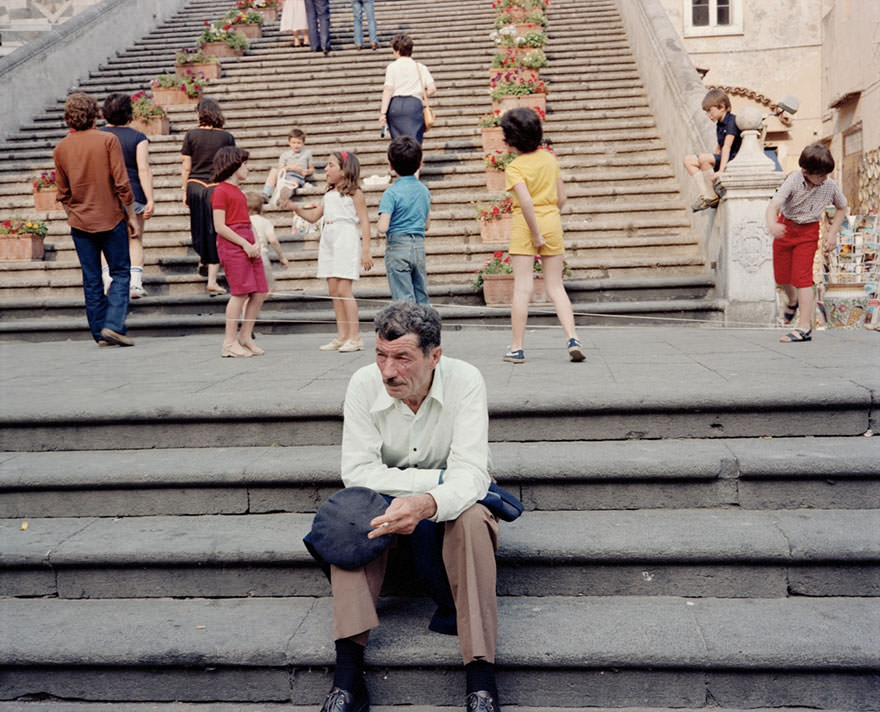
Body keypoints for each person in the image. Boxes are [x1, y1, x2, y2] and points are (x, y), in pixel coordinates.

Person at [317, 301, 502, 712]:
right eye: (381, 355)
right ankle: (347, 674)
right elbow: (358, 472)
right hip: (399, 501)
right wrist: (432, 485)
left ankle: (481, 677)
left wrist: (428, 501)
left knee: (472, 518)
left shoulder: (466, 379)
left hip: (454, 503)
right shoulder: (364, 384)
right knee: (349, 515)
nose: (388, 371)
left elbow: (472, 474)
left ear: (435, 356)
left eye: (402, 358)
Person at [500, 107, 585, 364]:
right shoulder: (550, 159)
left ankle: (517, 347)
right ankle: (572, 338)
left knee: (523, 287)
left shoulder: (514, 167)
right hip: (551, 219)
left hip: (526, 226)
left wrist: (536, 234)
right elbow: (563, 197)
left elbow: (525, 203)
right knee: (556, 286)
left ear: (512, 140)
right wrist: (550, 218)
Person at [53, 92, 137, 347]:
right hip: (110, 217)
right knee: (121, 273)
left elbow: (63, 193)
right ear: (95, 114)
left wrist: (73, 214)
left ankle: (100, 333)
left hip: (80, 222)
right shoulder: (107, 140)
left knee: (91, 279)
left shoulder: (61, 148)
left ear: (68, 118)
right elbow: (122, 183)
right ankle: (113, 324)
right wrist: (131, 214)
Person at [289, 151, 373, 352]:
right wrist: (295, 208)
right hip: (328, 238)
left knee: (344, 290)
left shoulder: (355, 194)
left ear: (344, 171)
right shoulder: (328, 194)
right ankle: (342, 336)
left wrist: (367, 250)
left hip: (345, 238)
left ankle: (355, 336)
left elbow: (365, 221)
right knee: (334, 291)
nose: (326, 169)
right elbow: (313, 217)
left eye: (330, 165)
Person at [765, 142, 847, 343]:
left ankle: (804, 327)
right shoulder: (794, 180)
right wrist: (771, 224)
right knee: (782, 276)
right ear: (805, 171)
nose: (823, 179)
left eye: (826, 174)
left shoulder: (829, 186)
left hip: (808, 232)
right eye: (819, 174)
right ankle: (792, 301)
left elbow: (842, 208)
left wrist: (832, 234)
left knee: (802, 278)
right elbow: (774, 205)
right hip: (785, 228)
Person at [210, 147, 269, 358]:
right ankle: (229, 341)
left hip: (247, 242)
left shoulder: (239, 192)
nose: (248, 167)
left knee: (260, 291)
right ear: (234, 166)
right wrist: (244, 244)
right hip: (234, 244)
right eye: (245, 164)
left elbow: (247, 220)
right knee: (240, 293)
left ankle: (245, 335)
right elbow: (220, 226)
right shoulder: (220, 191)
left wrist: (255, 242)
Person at [99, 92, 155, 299]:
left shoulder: (98, 136)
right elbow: (143, 169)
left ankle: (109, 281)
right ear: (129, 113)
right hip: (134, 193)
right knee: (135, 238)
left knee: (105, 241)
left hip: (105, 195)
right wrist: (150, 199)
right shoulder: (138, 137)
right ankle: (135, 284)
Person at [180, 97, 235, 296]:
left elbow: (186, 166)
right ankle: (212, 278)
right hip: (216, 186)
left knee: (198, 227)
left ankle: (203, 257)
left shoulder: (191, 135)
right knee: (214, 230)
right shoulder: (227, 137)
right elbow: (231, 165)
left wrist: (184, 189)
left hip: (195, 185)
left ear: (200, 113)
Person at [377, 136, 430, 304]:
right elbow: (427, 224)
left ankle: (408, 329)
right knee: (421, 295)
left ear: (391, 165)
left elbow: (383, 227)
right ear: (420, 164)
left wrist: (379, 222)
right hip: (418, 247)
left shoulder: (391, 193)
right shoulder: (424, 190)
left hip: (397, 247)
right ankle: (426, 328)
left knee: (403, 297)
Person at [683, 88, 742, 212]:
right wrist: (713, 158)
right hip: (723, 156)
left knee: (704, 158)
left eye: (710, 111)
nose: (709, 115)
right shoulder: (719, 124)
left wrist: (721, 169)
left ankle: (712, 196)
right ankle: (707, 194)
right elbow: (720, 146)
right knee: (688, 160)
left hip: (732, 158)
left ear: (722, 107)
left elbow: (727, 147)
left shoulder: (732, 121)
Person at [379, 34, 435, 145]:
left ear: (398, 51)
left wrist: (383, 113)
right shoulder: (420, 67)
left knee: (398, 143)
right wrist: (422, 95)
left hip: (395, 106)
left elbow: (388, 89)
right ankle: (414, 160)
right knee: (414, 141)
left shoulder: (392, 67)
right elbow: (432, 88)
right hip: (414, 105)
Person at [261, 127, 315, 207]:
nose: (296, 145)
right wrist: (289, 167)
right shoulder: (285, 154)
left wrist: (306, 172)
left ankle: (282, 198)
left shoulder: (307, 153)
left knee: (292, 183)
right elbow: (280, 169)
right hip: (284, 174)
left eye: (299, 143)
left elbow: (312, 169)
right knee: (273, 170)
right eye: (293, 143)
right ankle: (265, 194)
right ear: (289, 143)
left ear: (303, 143)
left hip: (297, 177)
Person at [245, 191, 288, 290]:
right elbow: (273, 241)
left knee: (247, 291)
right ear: (261, 208)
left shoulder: (242, 221)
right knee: (268, 288)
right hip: (261, 256)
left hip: (244, 257)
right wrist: (282, 257)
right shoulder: (264, 222)